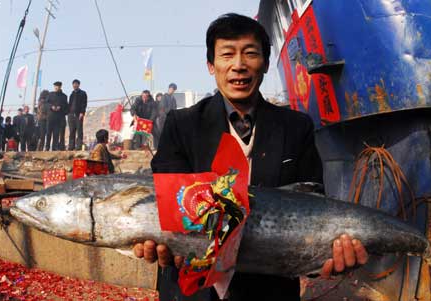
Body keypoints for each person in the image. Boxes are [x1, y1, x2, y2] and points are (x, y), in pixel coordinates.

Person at [133, 14, 368, 301]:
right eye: (227, 54)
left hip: (270, 290)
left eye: (250, 53)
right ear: (211, 65)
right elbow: (163, 207)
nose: (239, 65)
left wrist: (328, 258)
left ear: (266, 63)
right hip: (192, 291)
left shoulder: (296, 127)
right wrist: (155, 245)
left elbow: (313, 209)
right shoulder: (181, 125)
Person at [46, 81, 68, 151]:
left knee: (56, 134)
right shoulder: (50, 94)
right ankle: (47, 147)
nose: (56, 87)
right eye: (55, 86)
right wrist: (51, 106)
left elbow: (66, 106)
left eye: (58, 86)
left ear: (60, 87)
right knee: (49, 133)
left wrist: (60, 107)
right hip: (50, 117)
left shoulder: (64, 96)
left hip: (59, 117)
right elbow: (46, 104)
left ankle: (54, 148)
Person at [68, 79, 88, 151]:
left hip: (78, 115)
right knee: (72, 131)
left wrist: (82, 112)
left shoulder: (83, 93)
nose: (74, 85)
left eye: (76, 84)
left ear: (78, 85)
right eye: (73, 84)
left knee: (79, 131)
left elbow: (84, 104)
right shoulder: (71, 94)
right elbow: (69, 104)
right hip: (71, 115)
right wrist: (68, 113)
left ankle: (78, 147)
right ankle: (71, 147)